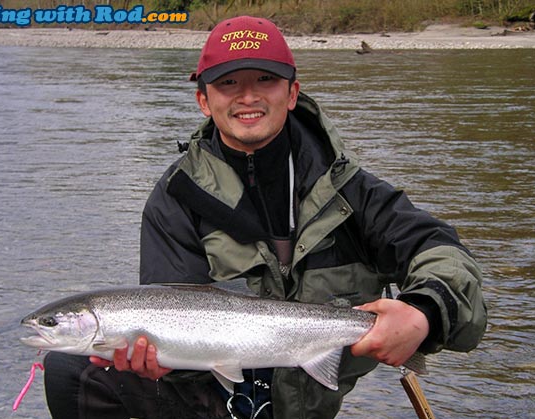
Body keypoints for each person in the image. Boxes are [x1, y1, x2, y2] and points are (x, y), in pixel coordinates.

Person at [43, 15, 487, 419]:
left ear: (292, 93)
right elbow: (173, 315)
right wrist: (156, 365)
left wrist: (424, 313)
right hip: (211, 400)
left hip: (309, 400)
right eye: (229, 83)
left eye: (265, 80)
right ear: (204, 100)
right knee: (70, 370)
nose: (248, 96)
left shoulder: (353, 191)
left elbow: (445, 255)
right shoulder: (176, 199)